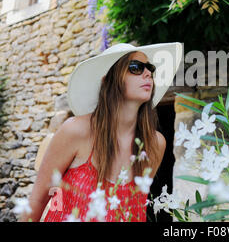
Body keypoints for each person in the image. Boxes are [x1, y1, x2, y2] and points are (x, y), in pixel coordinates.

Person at [19, 42, 183, 222]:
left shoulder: (155, 143)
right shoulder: (76, 130)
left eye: (150, 68)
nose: (148, 73)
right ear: (108, 80)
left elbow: (135, 210)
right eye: (136, 67)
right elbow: (37, 202)